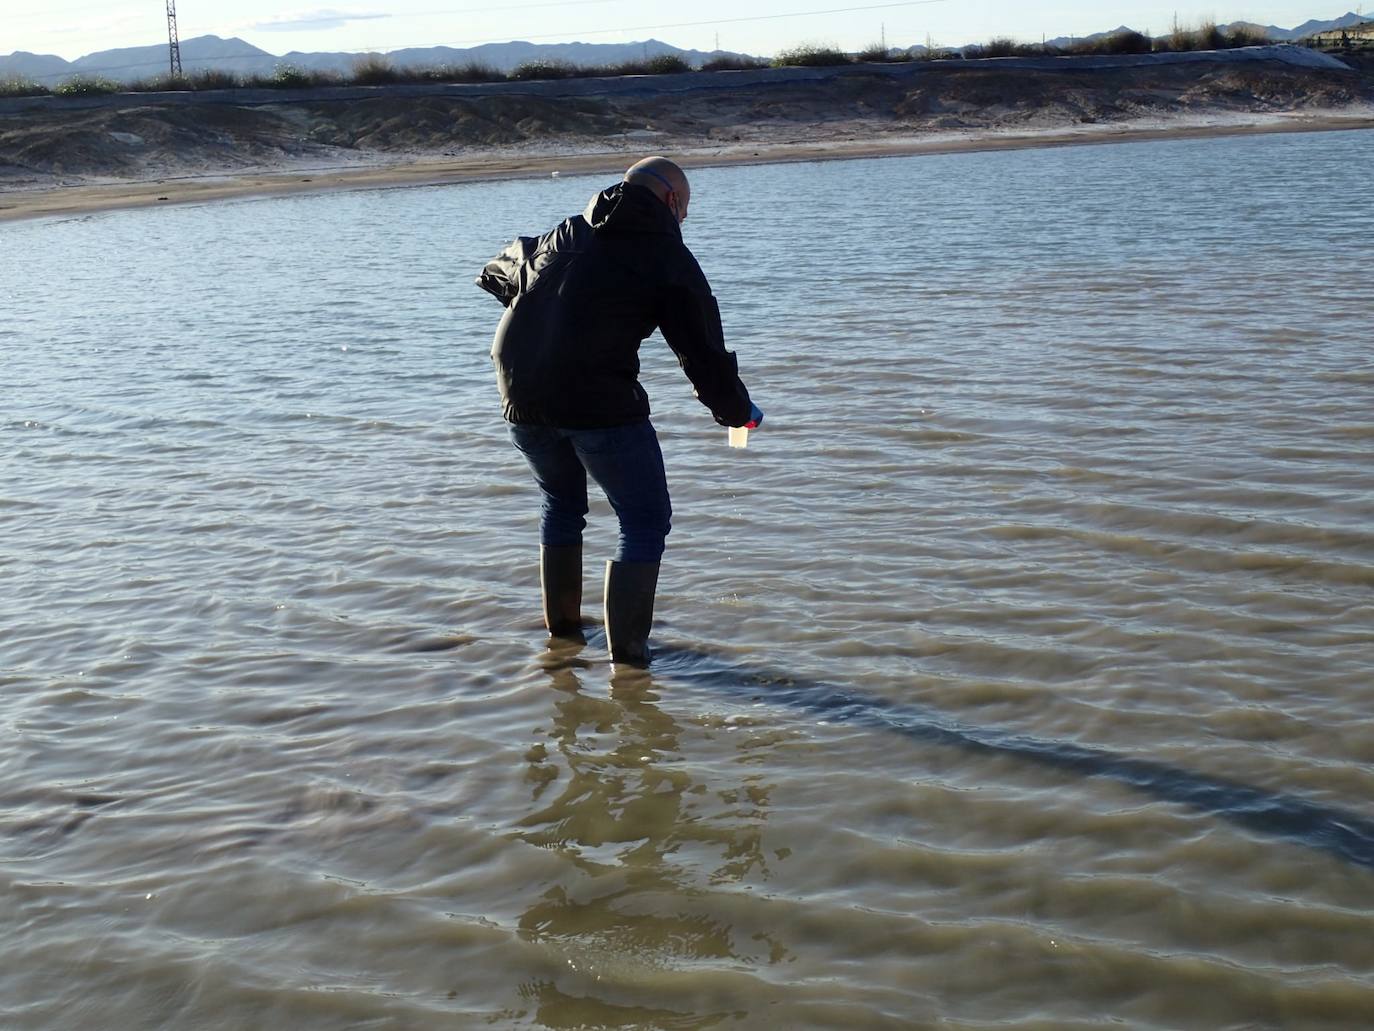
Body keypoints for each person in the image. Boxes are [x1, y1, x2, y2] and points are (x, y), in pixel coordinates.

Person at [476, 156, 763, 667]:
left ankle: (563, 638)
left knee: (562, 507)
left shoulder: (568, 231)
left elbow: (503, 264)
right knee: (645, 519)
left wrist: (537, 308)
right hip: (593, 401)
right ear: (672, 202)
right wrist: (737, 412)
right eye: (685, 212)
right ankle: (629, 664)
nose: (683, 223)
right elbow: (701, 351)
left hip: (518, 392)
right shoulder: (663, 253)